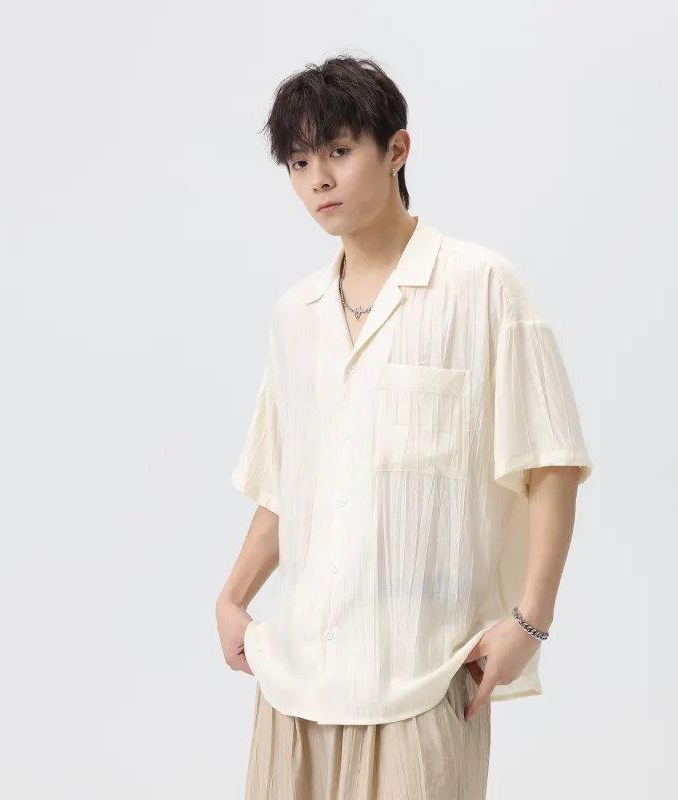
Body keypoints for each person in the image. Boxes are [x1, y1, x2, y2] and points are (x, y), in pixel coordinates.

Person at [215, 54, 594, 800]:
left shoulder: (482, 287)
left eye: (338, 150)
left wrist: (531, 623)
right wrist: (232, 597)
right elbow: (286, 484)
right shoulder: (295, 316)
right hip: (294, 677)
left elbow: (550, 463)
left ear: (397, 149)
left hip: (422, 676)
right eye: (298, 162)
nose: (317, 179)